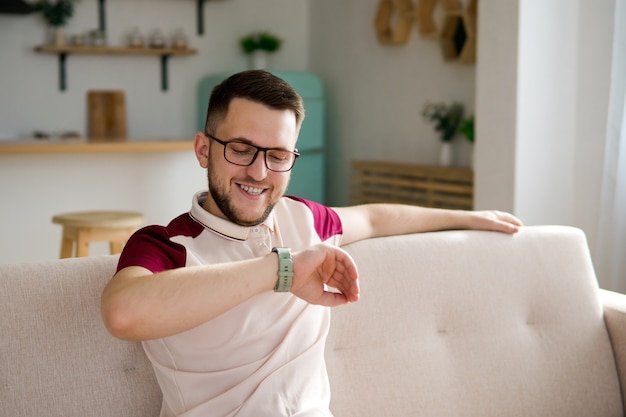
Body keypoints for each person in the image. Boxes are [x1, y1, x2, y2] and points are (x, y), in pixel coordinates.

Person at [101, 69, 523, 417]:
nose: (259, 172)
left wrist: (469, 217)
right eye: (242, 149)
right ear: (202, 149)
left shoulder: (303, 218)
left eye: (278, 156)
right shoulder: (165, 244)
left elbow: (376, 218)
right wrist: (284, 271)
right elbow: (123, 314)